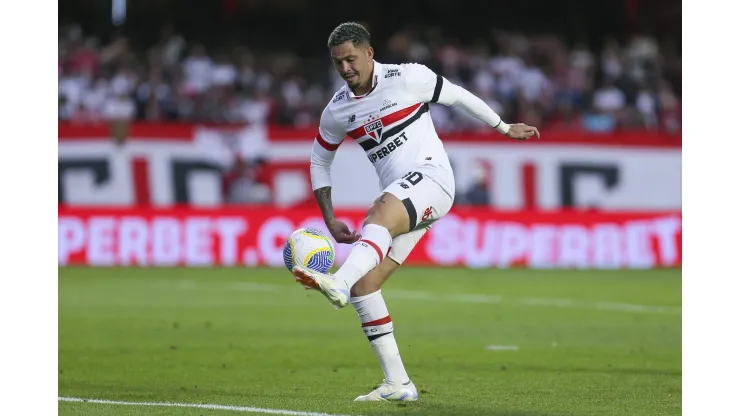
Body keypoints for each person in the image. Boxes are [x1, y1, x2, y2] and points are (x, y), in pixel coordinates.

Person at [292, 22, 540, 402]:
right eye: (338, 62)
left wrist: (504, 128)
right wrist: (329, 218)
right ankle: (398, 384)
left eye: (351, 59)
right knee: (366, 287)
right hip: (407, 196)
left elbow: (458, 97)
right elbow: (318, 162)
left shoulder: (408, 78)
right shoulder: (337, 109)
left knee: (377, 216)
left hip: (434, 179)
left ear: (369, 53)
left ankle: (337, 282)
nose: (345, 69)